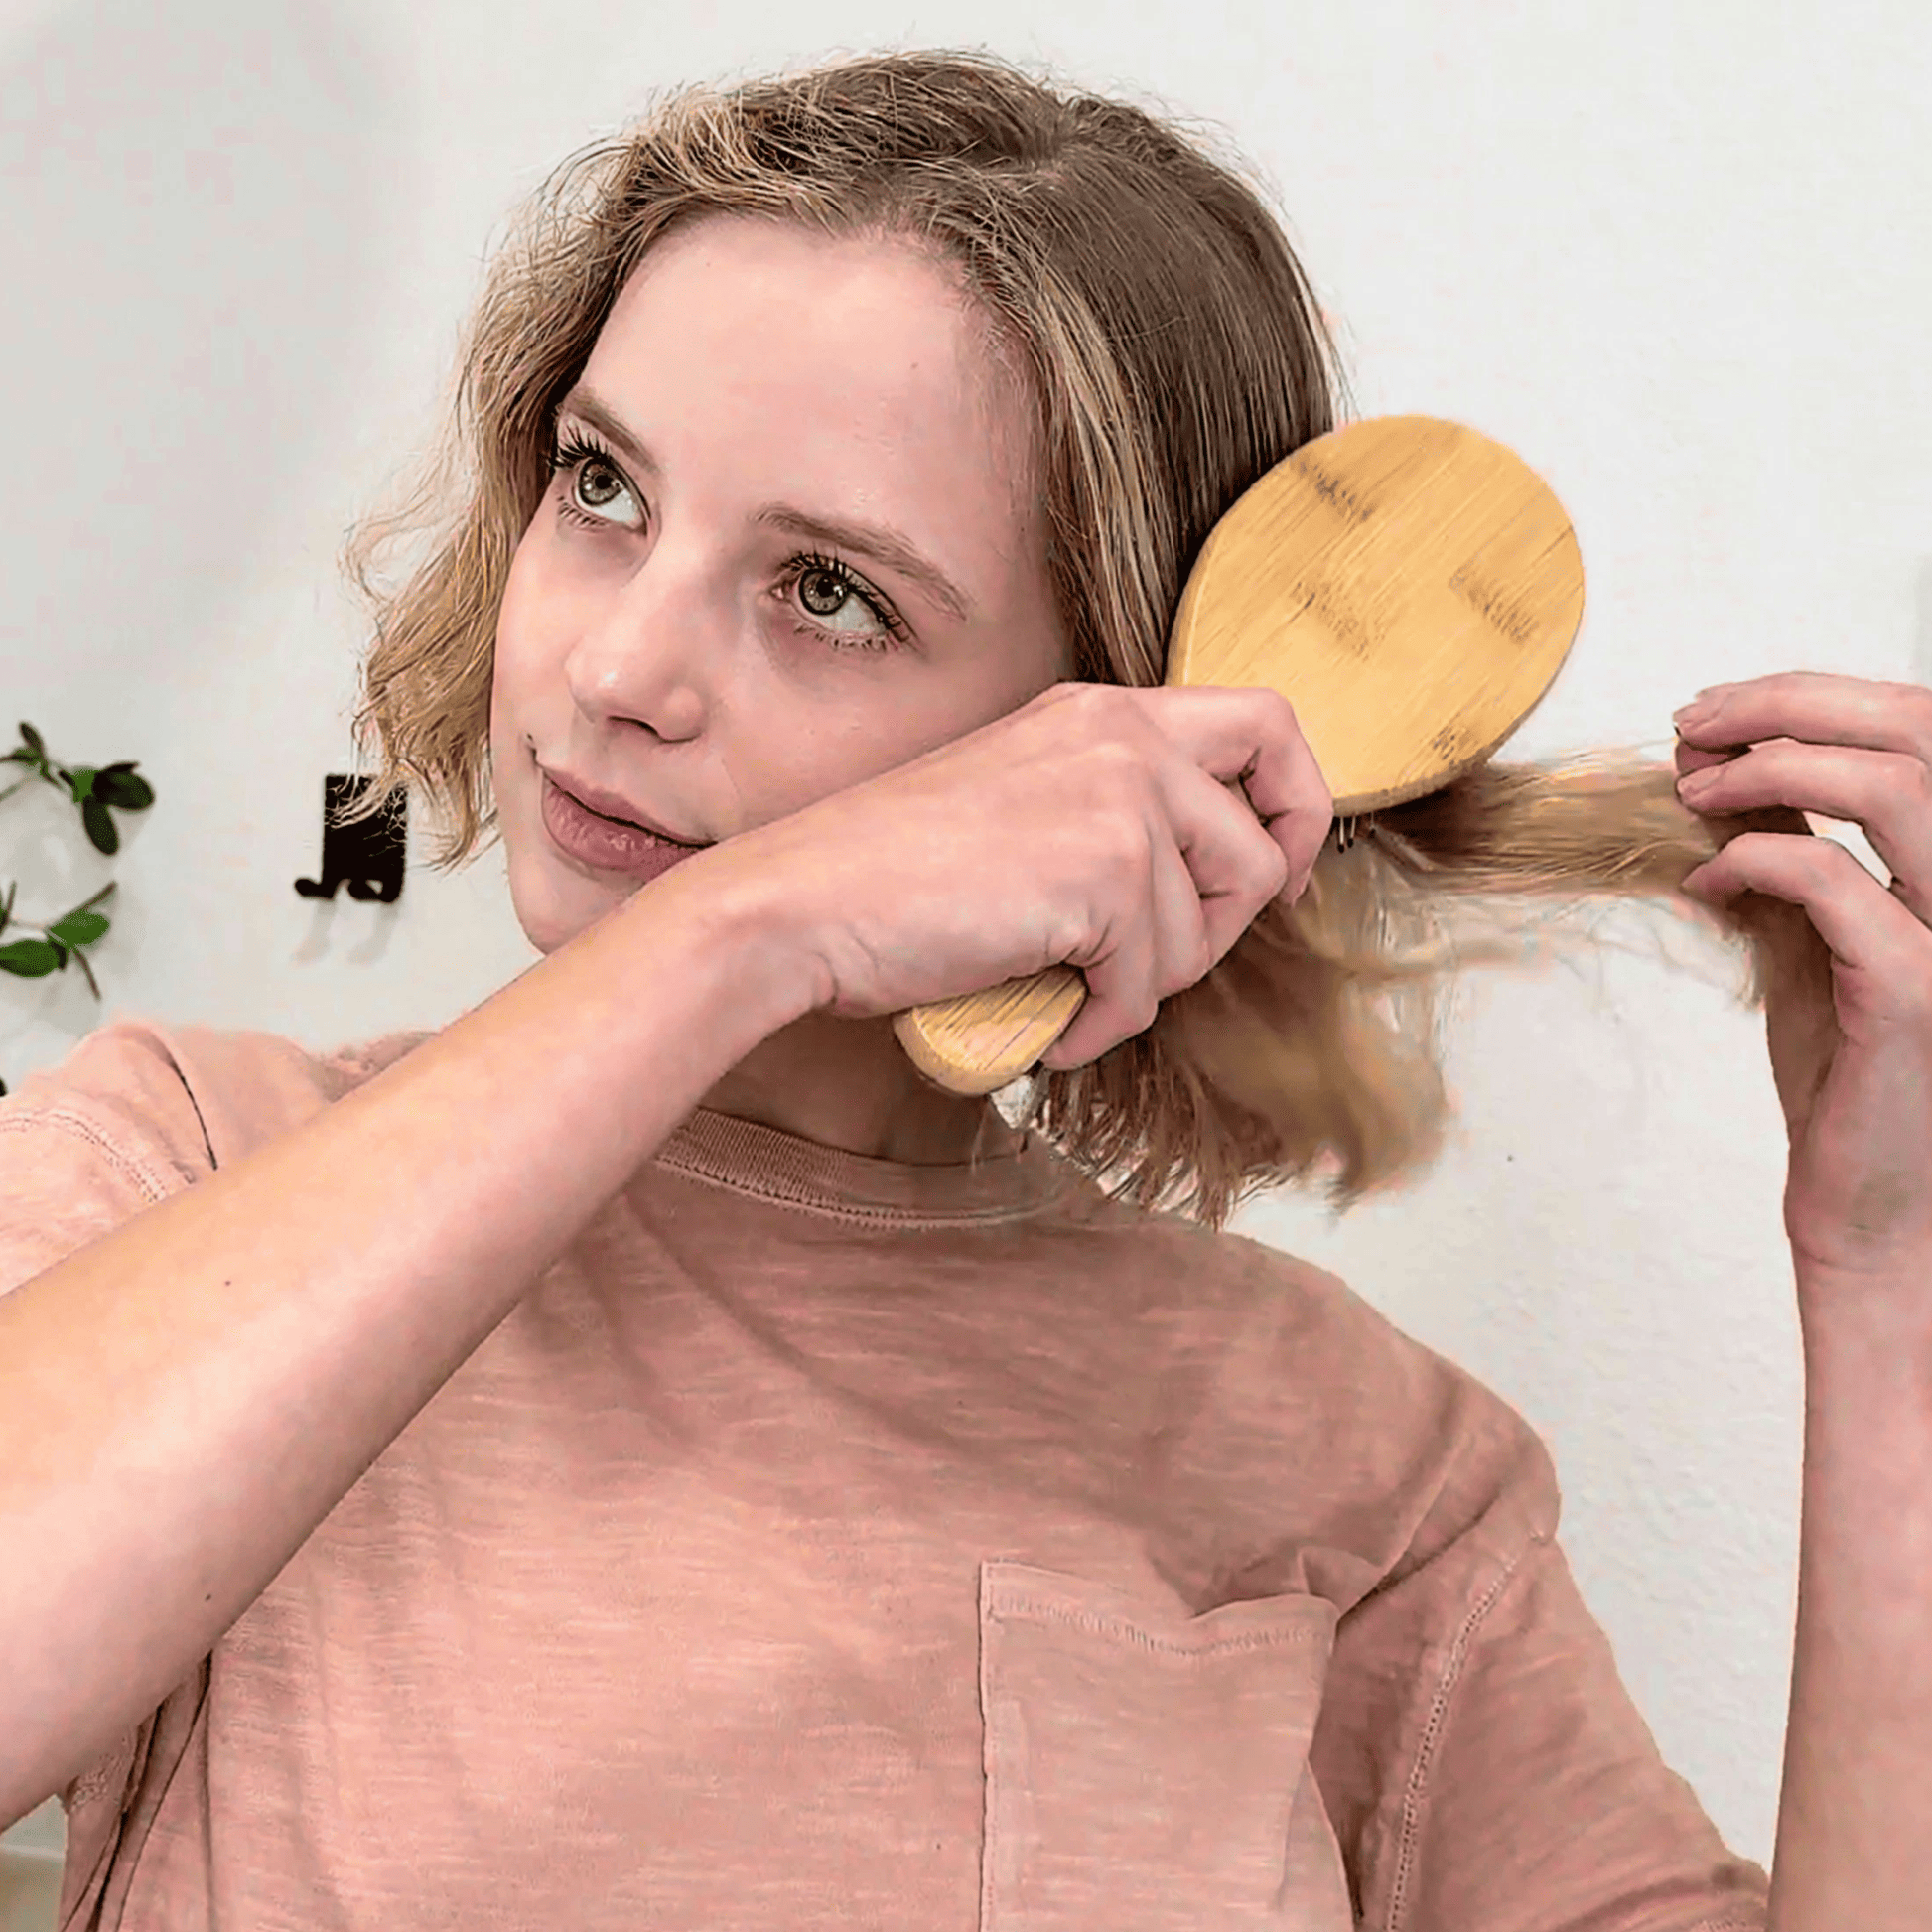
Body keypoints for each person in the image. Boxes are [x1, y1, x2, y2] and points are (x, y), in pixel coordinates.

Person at [2, 47, 1928, 1932]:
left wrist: (1893, 1274)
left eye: (828, 589)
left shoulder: (1358, 1464)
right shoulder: (181, 1161)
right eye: (601, 484)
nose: (617, 664)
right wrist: (744, 932)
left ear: (1117, 722)